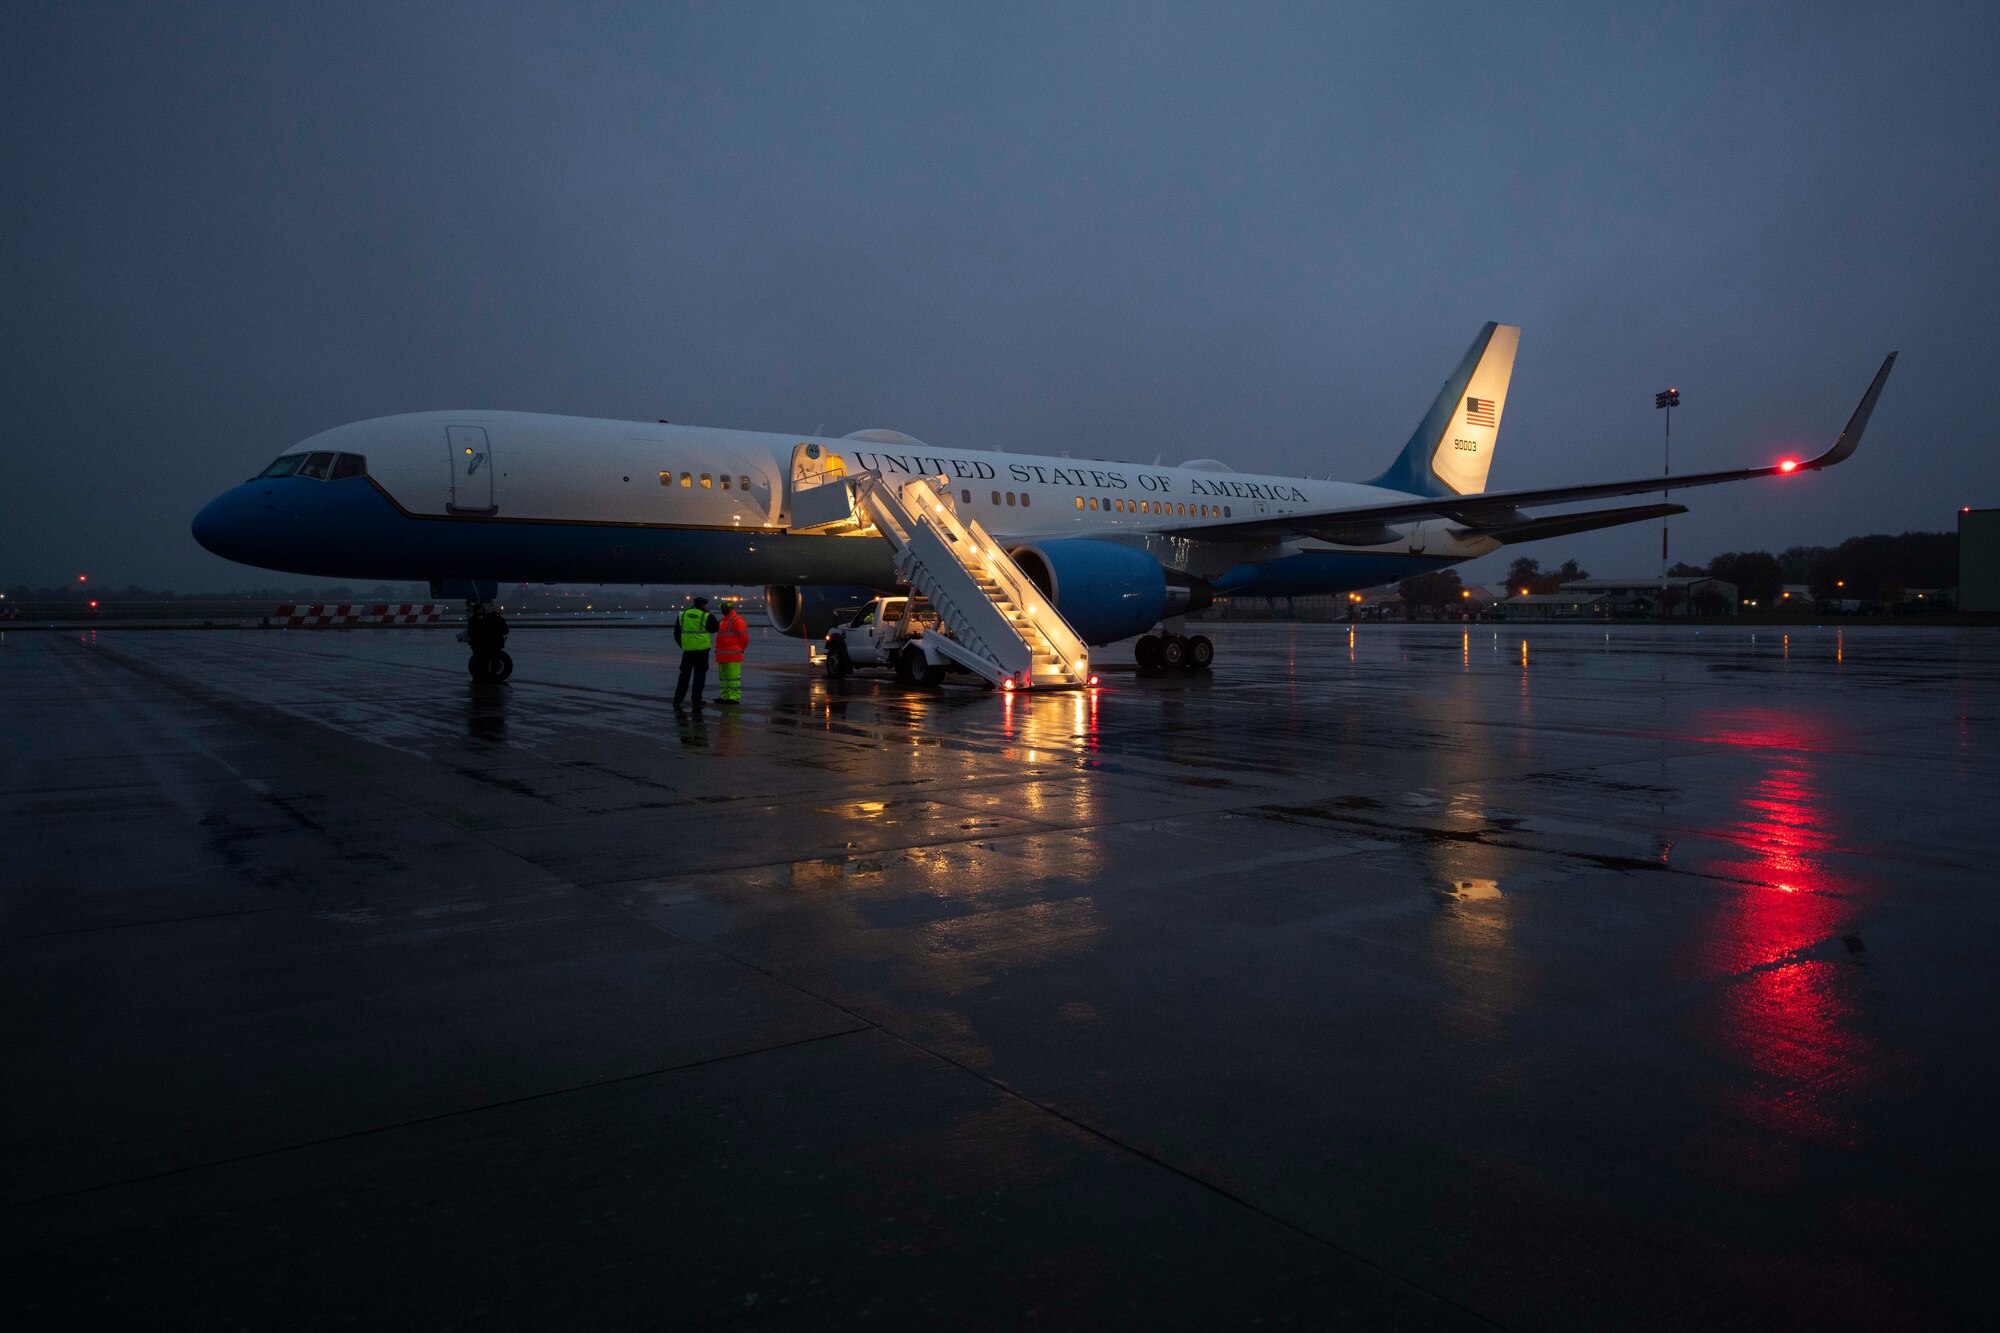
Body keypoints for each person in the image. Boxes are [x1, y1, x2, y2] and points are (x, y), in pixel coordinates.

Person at [672, 595, 720, 710]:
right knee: (699, 676)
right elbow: (714, 629)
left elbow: (676, 634)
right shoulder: (706, 616)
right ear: (703, 605)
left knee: (684, 675)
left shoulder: (682, 615)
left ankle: (677, 699)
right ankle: (696, 699)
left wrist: (684, 645)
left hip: (687, 651)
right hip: (702, 651)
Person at [713, 598, 750, 705]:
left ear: (729, 609)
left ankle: (734, 697)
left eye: (724, 609)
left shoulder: (737, 620)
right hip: (722, 655)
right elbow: (719, 638)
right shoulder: (723, 620)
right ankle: (725, 696)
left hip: (733, 655)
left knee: (733, 678)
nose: (723, 610)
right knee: (724, 678)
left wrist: (740, 649)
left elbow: (744, 638)